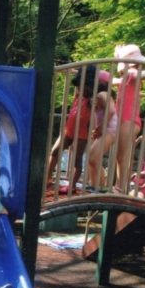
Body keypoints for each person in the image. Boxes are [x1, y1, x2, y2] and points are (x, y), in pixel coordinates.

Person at [113, 44, 145, 192]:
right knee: (124, 155)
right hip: (130, 120)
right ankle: (121, 187)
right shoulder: (126, 78)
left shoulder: (131, 73)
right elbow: (112, 79)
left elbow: (138, 73)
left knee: (122, 155)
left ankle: (121, 187)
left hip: (128, 120)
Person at [47, 65, 97, 194]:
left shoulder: (91, 100)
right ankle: (47, 177)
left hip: (82, 133)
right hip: (68, 130)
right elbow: (79, 83)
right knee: (55, 151)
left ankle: (72, 185)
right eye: (81, 85)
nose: (82, 88)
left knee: (76, 159)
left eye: (86, 86)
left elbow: (99, 95)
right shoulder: (78, 96)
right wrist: (77, 73)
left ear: (91, 87)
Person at [87, 70, 118, 190]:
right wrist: (96, 130)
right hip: (106, 129)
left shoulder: (103, 94)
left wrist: (99, 129)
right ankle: (95, 186)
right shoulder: (100, 95)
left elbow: (110, 111)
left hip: (109, 129)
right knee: (91, 158)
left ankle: (101, 188)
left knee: (94, 158)